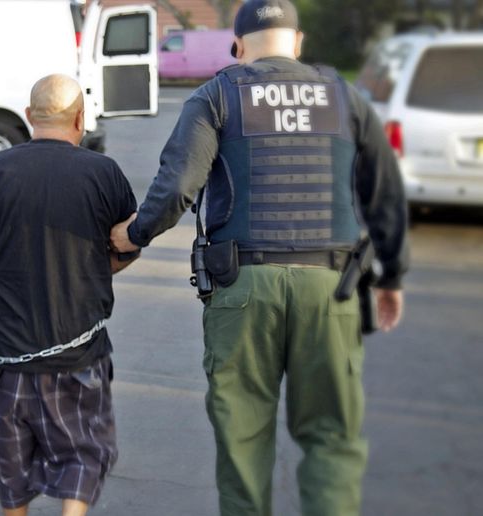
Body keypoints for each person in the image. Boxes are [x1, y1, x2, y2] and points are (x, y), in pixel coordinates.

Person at [109, 1, 409, 514]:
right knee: (332, 438)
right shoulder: (344, 97)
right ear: (298, 42)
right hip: (330, 285)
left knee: (244, 439)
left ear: (238, 44)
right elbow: (383, 192)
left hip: (242, 286)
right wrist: (391, 276)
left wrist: (134, 235)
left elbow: (179, 184)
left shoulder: (218, 95)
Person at [0, 74, 139, 516]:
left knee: (12, 477)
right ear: (80, 119)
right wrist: (104, 269)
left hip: (7, 363)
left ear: (28, 117)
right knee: (82, 457)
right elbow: (128, 242)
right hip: (79, 360)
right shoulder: (104, 173)